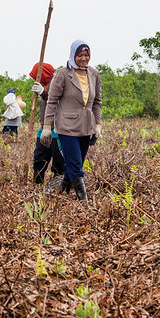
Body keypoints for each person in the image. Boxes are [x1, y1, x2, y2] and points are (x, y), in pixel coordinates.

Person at [40, 40, 102, 204]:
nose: (83, 58)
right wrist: (47, 127)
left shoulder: (94, 74)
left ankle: (61, 191)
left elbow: (97, 102)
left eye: (86, 55)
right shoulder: (62, 74)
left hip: (86, 127)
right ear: (73, 55)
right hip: (66, 127)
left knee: (76, 164)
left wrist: (98, 125)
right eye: (80, 55)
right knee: (75, 165)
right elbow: (52, 101)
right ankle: (84, 201)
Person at [29, 62, 66, 189]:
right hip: (43, 129)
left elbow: (57, 101)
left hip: (57, 131)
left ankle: (58, 188)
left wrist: (43, 93)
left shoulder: (57, 83)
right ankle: (37, 185)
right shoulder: (47, 86)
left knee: (58, 162)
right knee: (39, 159)